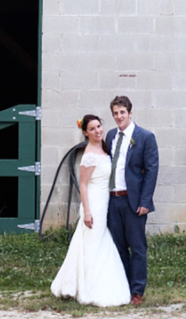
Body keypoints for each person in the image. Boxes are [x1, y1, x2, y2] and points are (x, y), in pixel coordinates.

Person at [50, 114, 131, 307]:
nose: (98, 131)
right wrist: (87, 211)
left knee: (97, 241)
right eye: (93, 129)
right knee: (93, 243)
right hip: (93, 204)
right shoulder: (88, 155)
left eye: (99, 126)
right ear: (85, 133)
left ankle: (91, 281)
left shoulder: (103, 149)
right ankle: (88, 286)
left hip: (105, 202)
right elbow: (84, 185)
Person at [105, 95, 158, 306]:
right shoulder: (110, 136)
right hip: (113, 200)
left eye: (122, 113)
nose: (119, 117)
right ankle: (123, 287)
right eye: (115, 113)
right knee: (118, 247)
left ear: (130, 113)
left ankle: (137, 291)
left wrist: (145, 201)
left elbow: (151, 171)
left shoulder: (145, 137)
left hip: (134, 201)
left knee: (137, 247)